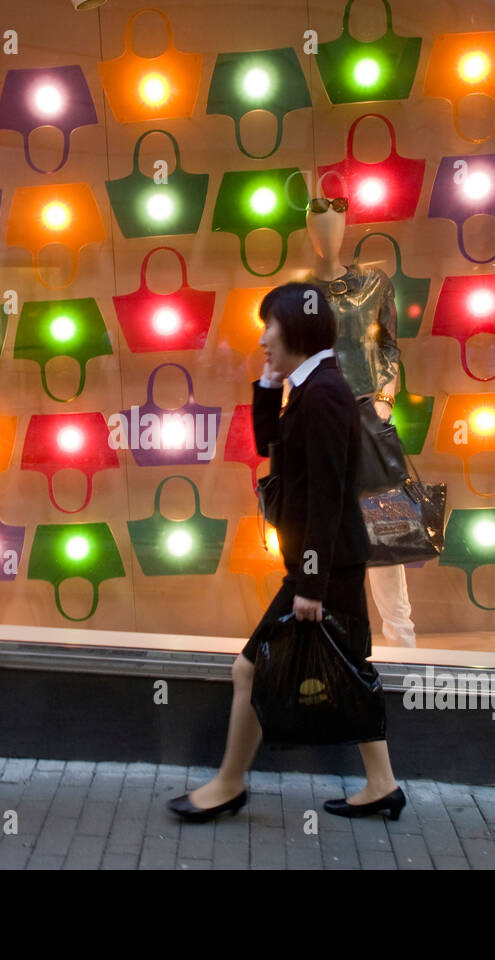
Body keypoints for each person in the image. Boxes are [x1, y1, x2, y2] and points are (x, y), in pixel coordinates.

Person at [167, 283, 405, 822]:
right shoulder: (312, 385)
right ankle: (383, 784)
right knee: (344, 666)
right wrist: (269, 385)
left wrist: (310, 587)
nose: (262, 336)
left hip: (326, 567)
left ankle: (228, 784)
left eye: (269, 324)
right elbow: (267, 443)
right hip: (326, 564)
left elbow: (327, 493)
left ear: (295, 326)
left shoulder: (323, 392)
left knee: (249, 669)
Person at [304, 196, 417, 647]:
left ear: (346, 225)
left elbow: (389, 341)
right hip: (320, 417)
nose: (326, 233)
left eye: (334, 223)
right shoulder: (300, 291)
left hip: (369, 412)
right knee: (326, 532)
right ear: (309, 232)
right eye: (317, 225)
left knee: (385, 531)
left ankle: (402, 638)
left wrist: (387, 396)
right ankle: (340, 639)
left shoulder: (373, 281)